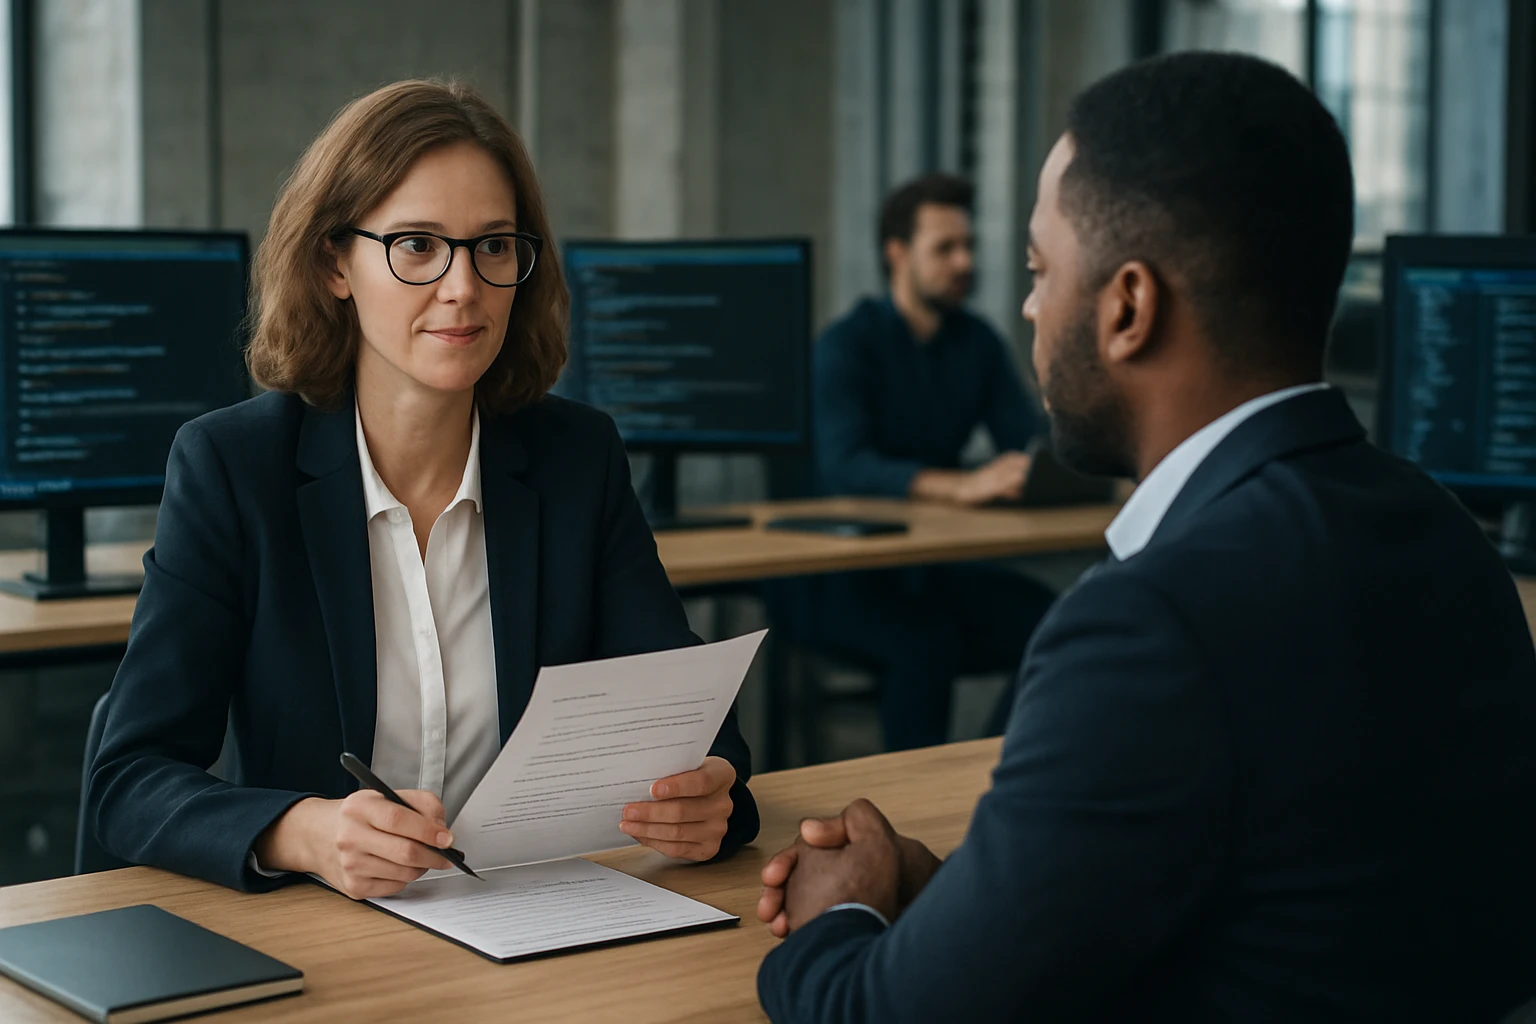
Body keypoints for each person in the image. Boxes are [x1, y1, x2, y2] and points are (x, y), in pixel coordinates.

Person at [754, 52, 1536, 1022]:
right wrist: (962, 896)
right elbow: (1284, 901)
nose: (1030, 307)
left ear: (1128, 306)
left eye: (1041, 272)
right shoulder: (1449, 539)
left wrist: (848, 915)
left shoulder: (1148, 629)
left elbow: (885, 1013)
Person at [85, 80, 757, 899]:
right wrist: (304, 831)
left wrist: (711, 793)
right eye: (416, 245)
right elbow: (127, 779)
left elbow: (691, 718)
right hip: (329, 939)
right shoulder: (234, 469)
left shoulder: (576, 457)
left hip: (542, 918)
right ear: (336, 261)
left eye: (494, 246)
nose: (462, 287)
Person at [790, 174, 1057, 750]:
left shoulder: (978, 342)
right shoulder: (846, 345)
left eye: (968, 246)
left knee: (1060, 621)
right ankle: (910, 824)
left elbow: (1027, 443)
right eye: (945, 248)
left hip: (928, 567)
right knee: (926, 643)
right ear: (897, 254)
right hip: (835, 576)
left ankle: (998, 783)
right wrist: (961, 486)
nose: (965, 262)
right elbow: (844, 465)